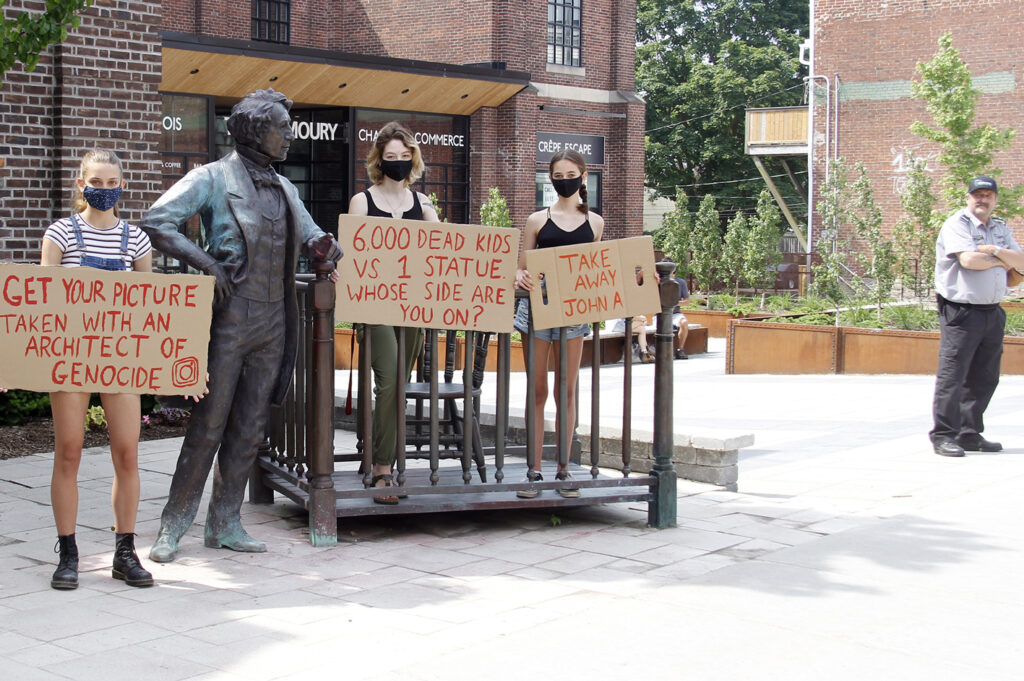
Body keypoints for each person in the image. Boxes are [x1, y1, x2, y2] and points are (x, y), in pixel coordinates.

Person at [141, 89, 342, 561]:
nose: (290, 135)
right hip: (230, 316)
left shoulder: (286, 188)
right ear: (255, 130)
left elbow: (313, 234)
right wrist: (206, 264)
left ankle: (226, 522)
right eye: (282, 127)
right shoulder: (211, 177)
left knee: (251, 426)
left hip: (275, 318)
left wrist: (324, 248)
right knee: (209, 423)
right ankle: (174, 524)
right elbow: (157, 221)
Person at [40, 149, 154, 589]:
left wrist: (176, 368)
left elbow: (152, 309)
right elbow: (43, 301)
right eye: (96, 182)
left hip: (123, 358)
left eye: (112, 183)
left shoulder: (136, 240)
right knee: (68, 451)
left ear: (121, 186)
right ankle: (68, 552)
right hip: (70, 356)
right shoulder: (61, 233)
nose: (104, 190)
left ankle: (124, 551)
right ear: (80, 184)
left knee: (127, 452)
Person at [347, 122, 440, 504]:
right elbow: (352, 254)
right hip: (374, 304)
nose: (398, 163)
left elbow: (442, 252)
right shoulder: (362, 202)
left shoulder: (425, 206)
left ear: (412, 159)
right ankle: (383, 468)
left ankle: (374, 451)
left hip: (413, 307)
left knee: (396, 387)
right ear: (379, 161)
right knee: (388, 383)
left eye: (405, 157)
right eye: (391, 158)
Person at [514, 149, 604, 498]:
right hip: (537, 309)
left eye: (570, 175)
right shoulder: (537, 220)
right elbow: (523, 268)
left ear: (583, 177)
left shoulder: (594, 223)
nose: (563, 181)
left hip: (574, 311)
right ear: (549, 178)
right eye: (557, 175)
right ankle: (534, 471)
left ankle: (564, 470)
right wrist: (519, 276)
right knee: (537, 390)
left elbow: (596, 271)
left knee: (565, 390)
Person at [930, 176, 1024, 457]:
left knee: (985, 376)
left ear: (995, 199)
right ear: (968, 198)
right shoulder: (957, 224)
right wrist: (1004, 260)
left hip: (992, 311)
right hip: (962, 310)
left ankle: (969, 433)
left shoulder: (999, 228)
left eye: (988, 195)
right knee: (953, 374)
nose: (982, 199)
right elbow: (969, 261)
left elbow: (1020, 266)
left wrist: (993, 251)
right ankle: (944, 435)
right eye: (977, 195)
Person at [671, 273, 691, 359]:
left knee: (684, 322)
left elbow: (687, 302)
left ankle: (680, 349)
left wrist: (674, 303)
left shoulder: (680, 282)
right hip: (660, 314)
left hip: (675, 314)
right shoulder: (658, 281)